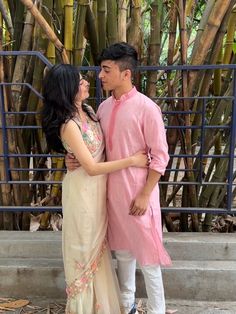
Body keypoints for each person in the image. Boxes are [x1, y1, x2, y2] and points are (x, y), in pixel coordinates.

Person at [66, 42, 172, 314]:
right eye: (101, 70)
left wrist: (146, 194)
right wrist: (72, 159)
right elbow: (94, 148)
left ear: (126, 74)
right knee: (123, 253)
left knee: (149, 259)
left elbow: (160, 157)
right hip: (111, 195)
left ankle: (157, 310)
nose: (100, 76)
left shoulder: (147, 108)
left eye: (106, 70)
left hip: (138, 193)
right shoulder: (101, 109)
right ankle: (127, 306)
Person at [41, 63, 148, 314]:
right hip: (82, 194)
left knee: (99, 250)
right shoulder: (68, 124)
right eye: (80, 82)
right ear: (68, 89)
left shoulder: (89, 110)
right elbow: (90, 167)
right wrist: (133, 160)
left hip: (99, 192)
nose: (87, 82)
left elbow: (100, 148)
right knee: (85, 249)